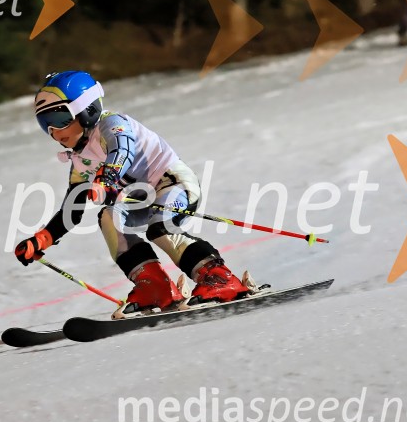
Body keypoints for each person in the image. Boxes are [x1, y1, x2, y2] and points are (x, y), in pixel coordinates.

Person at [14, 71, 255, 319]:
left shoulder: (112, 124)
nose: (54, 130)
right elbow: (72, 209)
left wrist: (105, 180)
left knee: (160, 228)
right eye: (45, 124)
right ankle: (156, 288)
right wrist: (41, 240)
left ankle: (218, 277)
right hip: (140, 199)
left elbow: (122, 151)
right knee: (108, 216)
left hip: (175, 185)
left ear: (86, 110)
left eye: (60, 117)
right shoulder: (80, 160)